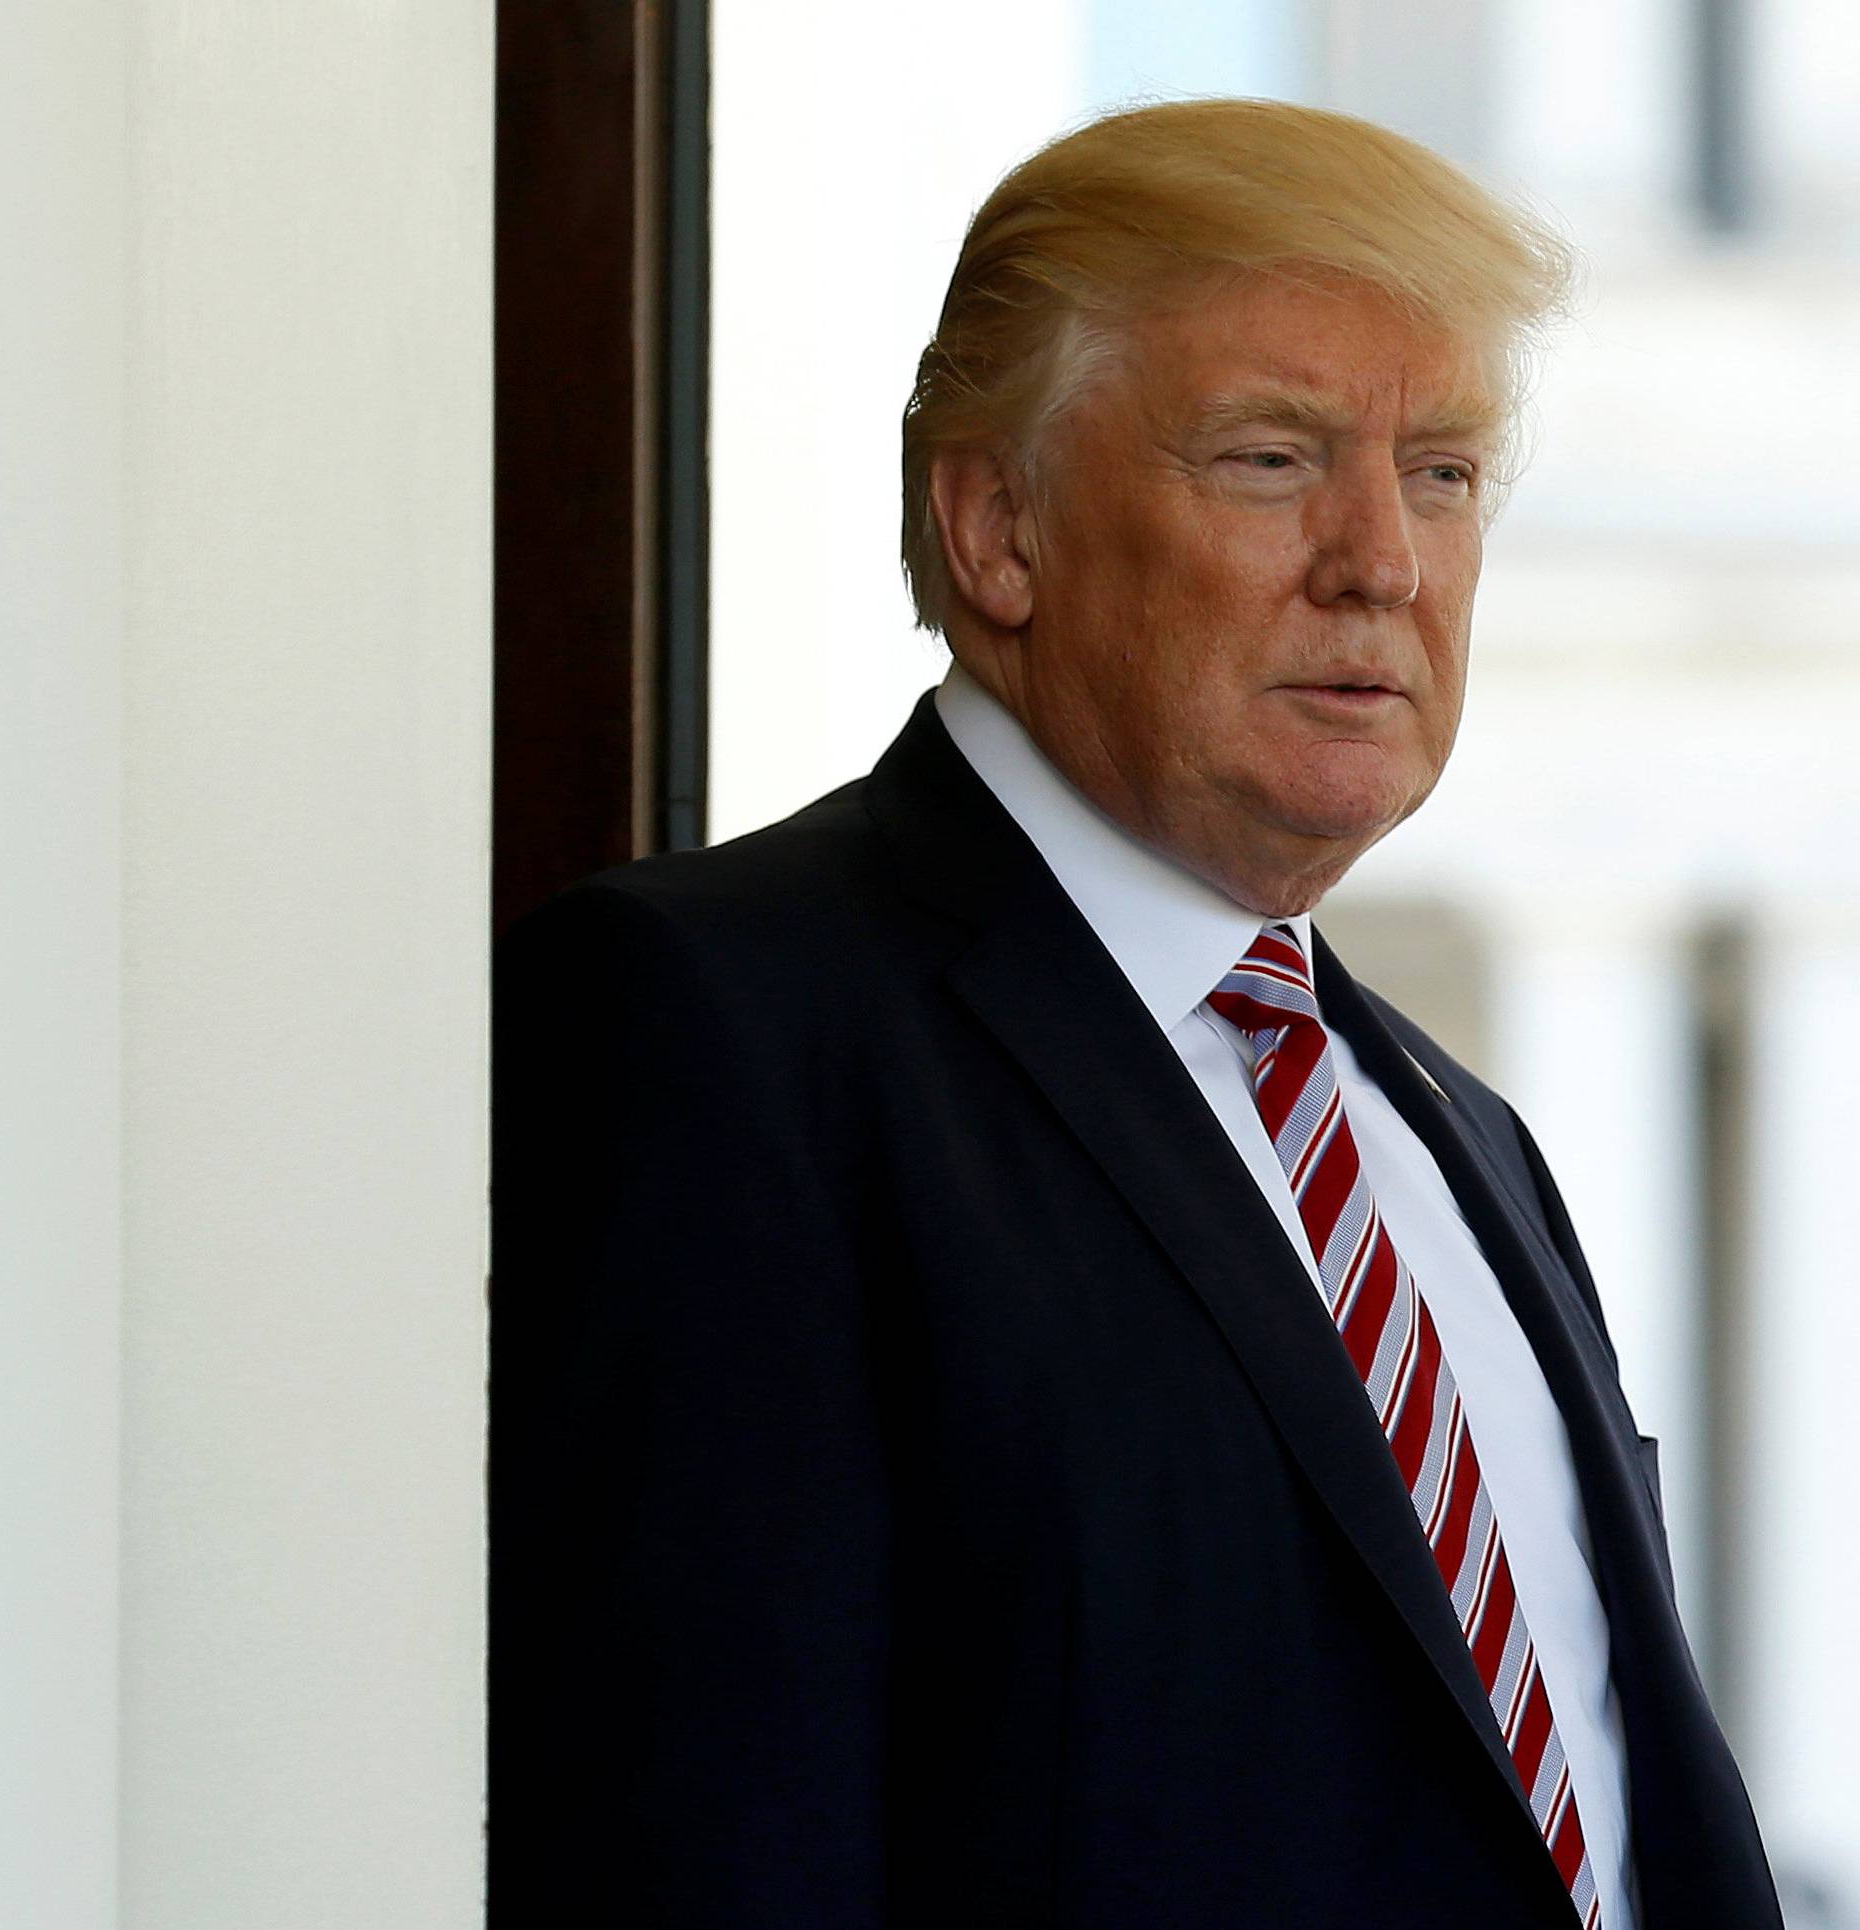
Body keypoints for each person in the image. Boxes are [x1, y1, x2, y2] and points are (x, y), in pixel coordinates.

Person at [489, 98, 1780, 1928]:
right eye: (1271, 458)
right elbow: (690, 1842)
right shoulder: (713, 1033)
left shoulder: (1456, 1135)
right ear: (998, 525)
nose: (1383, 563)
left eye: (1443, 474)